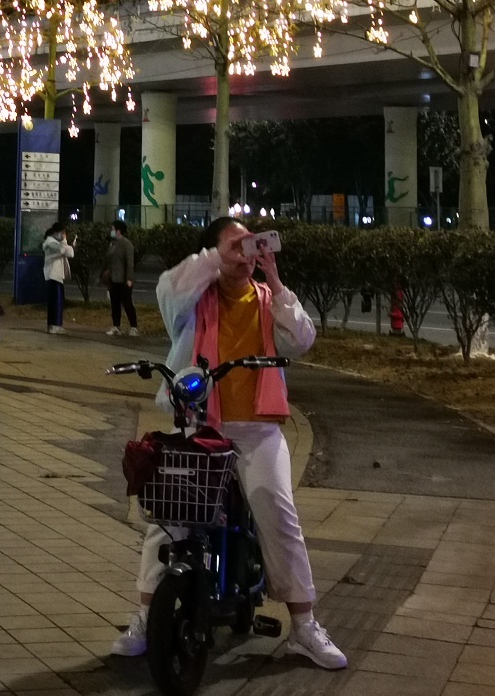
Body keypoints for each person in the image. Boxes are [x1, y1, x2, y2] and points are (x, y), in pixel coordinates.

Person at [110, 216, 347, 670]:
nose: (246, 253)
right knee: (168, 517)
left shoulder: (265, 299)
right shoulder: (193, 300)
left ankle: (304, 627)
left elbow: (301, 340)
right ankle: (144, 617)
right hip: (199, 426)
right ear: (212, 255)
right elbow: (167, 289)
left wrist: (275, 279)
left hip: (259, 430)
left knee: (278, 513)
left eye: (251, 244)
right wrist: (216, 260)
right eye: (235, 245)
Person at [105, 219, 138, 337]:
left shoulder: (127, 244)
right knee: (115, 303)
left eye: (113, 229)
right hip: (113, 278)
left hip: (123, 279)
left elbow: (130, 262)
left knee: (127, 303)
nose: (111, 231)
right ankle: (116, 326)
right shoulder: (113, 243)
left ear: (119, 231)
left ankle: (134, 327)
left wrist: (129, 278)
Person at [41, 219, 73, 334]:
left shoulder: (55, 243)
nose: (63, 235)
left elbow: (70, 253)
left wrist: (65, 246)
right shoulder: (50, 243)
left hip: (57, 276)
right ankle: (54, 325)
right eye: (62, 232)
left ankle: (54, 324)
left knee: (56, 301)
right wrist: (65, 242)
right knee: (55, 301)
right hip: (53, 275)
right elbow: (63, 250)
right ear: (56, 232)